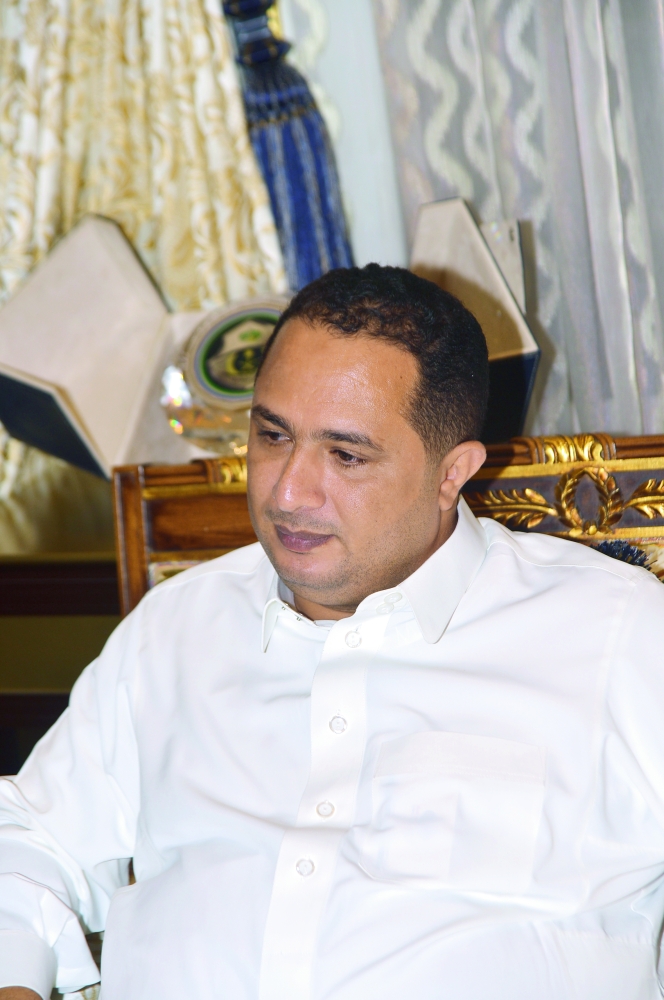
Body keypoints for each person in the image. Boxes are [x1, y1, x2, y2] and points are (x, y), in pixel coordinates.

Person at [1, 265, 664, 1000]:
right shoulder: (177, 628)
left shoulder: (616, 634)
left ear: (453, 474)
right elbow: (31, 839)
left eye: (346, 455)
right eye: (272, 435)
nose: (287, 492)